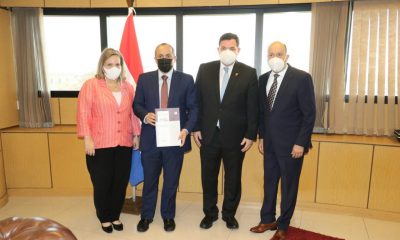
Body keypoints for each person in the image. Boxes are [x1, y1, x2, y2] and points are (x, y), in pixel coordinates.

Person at [249, 41, 316, 240]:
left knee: (288, 186)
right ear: (267, 57)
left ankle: (283, 225)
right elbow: (262, 113)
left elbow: (309, 114)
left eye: (279, 53)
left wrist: (301, 142)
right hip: (269, 143)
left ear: (287, 56)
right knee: (269, 183)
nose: (275, 57)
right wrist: (261, 136)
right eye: (271, 54)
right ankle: (267, 219)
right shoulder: (262, 79)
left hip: (292, 146)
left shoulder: (301, 78)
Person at [193, 33, 258, 230]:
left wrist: (250, 135)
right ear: (218, 49)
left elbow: (252, 107)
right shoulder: (205, 69)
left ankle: (229, 214)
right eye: (224, 48)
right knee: (208, 177)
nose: (227, 51)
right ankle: (210, 214)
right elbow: (197, 102)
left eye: (232, 48)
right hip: (208, 135)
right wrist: (195, 128)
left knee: (233, 178)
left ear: (238, 50)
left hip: (236, 138)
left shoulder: (248, 72)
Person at [133, 43, 198, 232]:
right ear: (155, 59)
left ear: (174, 57)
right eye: (160, 55)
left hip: (175, 140)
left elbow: (194, 108)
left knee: (171, 181)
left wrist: (187, 130)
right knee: (150, 180)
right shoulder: (144, 79)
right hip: (151, 140)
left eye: (167, 55)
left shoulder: (186, 80)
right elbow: (137, 104)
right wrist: (145, 115)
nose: (164, 58)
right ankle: (146, 216)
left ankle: (168, 216)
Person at [76, 48, 141, 234]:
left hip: (124, 142)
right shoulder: (91, 85)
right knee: (102, 182)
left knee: (120, 182)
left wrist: (136, 134)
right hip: (99, 143)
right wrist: (87, 138)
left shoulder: (128, 87)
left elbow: (133, 114)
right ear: (102, 66)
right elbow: (83, 112)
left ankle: (115, 215)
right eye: (110, 64)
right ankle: (104, 217)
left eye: (117, 64)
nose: (114, 67)